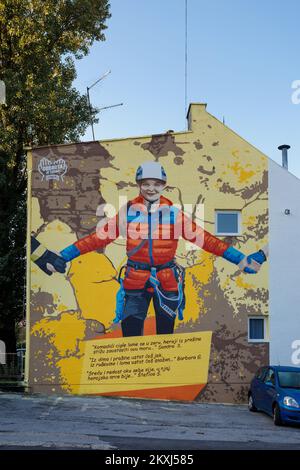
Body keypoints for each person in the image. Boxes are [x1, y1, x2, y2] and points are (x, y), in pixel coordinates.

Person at [56, 161, 267, 337]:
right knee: (130, 334)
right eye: (145, 183)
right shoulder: (128, 211)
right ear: (139, 184)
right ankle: (133, 383)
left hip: (167, 280)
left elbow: (207, 240)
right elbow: (97, 238)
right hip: (135, 279)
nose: (151, 188)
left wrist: (240, 259)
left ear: (163, 185)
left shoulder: (175, 215)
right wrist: (64, 256)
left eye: (156, 184)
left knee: (165, 336)